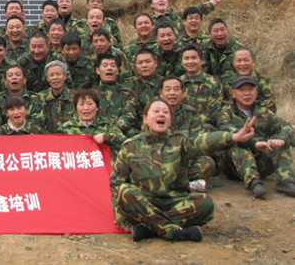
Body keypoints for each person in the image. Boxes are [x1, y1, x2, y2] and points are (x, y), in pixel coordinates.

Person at [110, 98, 256, 242]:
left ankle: (150, 228)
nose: (161, 114)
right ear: (145, 119)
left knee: (206, 204)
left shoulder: (180, 141)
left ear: (170, 119)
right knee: (125, 191)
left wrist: (233, 137)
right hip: (144, 204)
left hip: (175, 203)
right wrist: (121, 219)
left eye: (165, 112)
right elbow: (116, 183)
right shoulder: (130, 145)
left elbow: (204, 141)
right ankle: (174, 232)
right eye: (156, 111)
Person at [217, 76, 295, 199]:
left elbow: (286, 126)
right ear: (233, 93)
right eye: (242, 90)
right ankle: (253, 183)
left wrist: (281, 139)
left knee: (281, 140)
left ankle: (286, 180)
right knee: (237, 143)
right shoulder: (226, 113)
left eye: (250, 89)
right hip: (234, 165)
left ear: (256, 92)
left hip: (261, 160)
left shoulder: (263, 112)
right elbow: (229, 133)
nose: (247, 93)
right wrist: (254, 144)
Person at [56, 89, 125, 156]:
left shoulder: (107, 125)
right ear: (76, 108)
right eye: (81, 104)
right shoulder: (65, 128)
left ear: (97, 107)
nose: (86, 108)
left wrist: (106, 137)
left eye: (90, 104)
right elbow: (55, 148)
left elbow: (125, 143)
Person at [178, 44, 224, 128]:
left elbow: (214, 109)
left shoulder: (214, 82)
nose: (190, 62)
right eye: (186, 58)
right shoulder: (177, 83)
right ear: (181, 61)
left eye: (194, 58)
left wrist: (194, 124)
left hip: (204, 127)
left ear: (201, 60)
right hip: (181, 126)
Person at [221, 46, 277, 112]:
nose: (242, 64)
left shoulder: (263, 82)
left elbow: (270, 107)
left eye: (246, 60)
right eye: (239, 60)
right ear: (233, 63)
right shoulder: (225, 81)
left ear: (253, 61)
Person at [37, 61, 74, 133]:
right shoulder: (39, 97)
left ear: (65, 76)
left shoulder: (75, 97)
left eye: (58, 74)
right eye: (51, 75)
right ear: (47, 78)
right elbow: (36, 123)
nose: (55, 78)